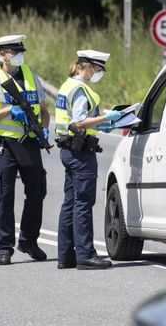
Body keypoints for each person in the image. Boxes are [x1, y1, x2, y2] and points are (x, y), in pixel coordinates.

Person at [0, 35, 50, 265]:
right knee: (5, 195)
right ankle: (4, 246)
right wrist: (8, 111)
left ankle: (29, 240)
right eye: (14, 52)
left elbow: (45, 110)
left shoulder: (30, 74)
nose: (19, 55)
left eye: (21, 51)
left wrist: (45, 130)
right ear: (3, 54)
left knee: (37, 192)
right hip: (4, 144)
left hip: (29, 141)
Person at [54, 49, 122, 270]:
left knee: (71, 203)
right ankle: (85, 255)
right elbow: (80, 121)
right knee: (83, 203)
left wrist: (103, 124)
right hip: (81, 152)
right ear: (90, 66)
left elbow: (77, 121)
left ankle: (65, 256)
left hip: (68, 150)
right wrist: (107, 117)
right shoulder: (81, 90)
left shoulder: (67, 86)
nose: (100, 74)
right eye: (99, 69)